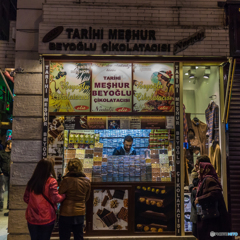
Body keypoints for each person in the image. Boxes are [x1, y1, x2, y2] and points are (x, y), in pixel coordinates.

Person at [23, 159, 65, 240]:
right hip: (47, 216)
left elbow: (26, 198)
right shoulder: (52, 181)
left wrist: (34, 204)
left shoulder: (32, 181)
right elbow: (55, 198)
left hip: (32, 216)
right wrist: (63, 196)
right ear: (50, 169)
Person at [194, 162, 231, 240]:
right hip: (208, 217)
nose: (197, 171)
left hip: (211, 218)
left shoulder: (209, 179)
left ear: (206, 170)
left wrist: (199, 199)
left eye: (200, 169)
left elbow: (215, 193)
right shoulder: (204, 180)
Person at [59, 158, 91, 240]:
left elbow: (59, 193)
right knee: (79, 236)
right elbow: (86, 198)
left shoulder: (66, 180)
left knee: (64, 236)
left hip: (66, 212)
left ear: (69, 168)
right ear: (80, 167)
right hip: (80, 212)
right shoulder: (86, 181)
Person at [189, 155, 210, 238]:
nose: (195, 166)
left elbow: (210, 195)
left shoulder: (208, 179)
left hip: (203, 215)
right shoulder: (201, 178)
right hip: (198, 214)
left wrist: (193, 189)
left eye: (197, 164)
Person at [0, 140, 12, 215]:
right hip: (3, 173)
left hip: (11, 174)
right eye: (11, 144)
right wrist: (0, 172)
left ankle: (8, 205)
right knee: (2, 189)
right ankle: (1, 205)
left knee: (10, 190)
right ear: (7, 145)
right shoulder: (1, 153)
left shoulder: (12, 154)